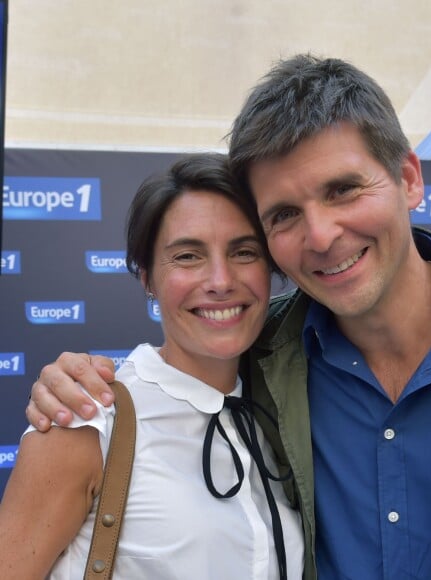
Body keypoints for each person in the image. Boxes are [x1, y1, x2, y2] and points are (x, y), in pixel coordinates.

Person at [26, 54, 431, 579]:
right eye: (285, 214)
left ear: (410, 179)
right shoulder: (258, 351)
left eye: (343, 190)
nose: (320, 236)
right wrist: (71, 385)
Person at [0, 153, 305, 579]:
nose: (220, 280)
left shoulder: (278, 417)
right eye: (187, 256)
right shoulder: (87, 420)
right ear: (146, 277)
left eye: (244, 252)